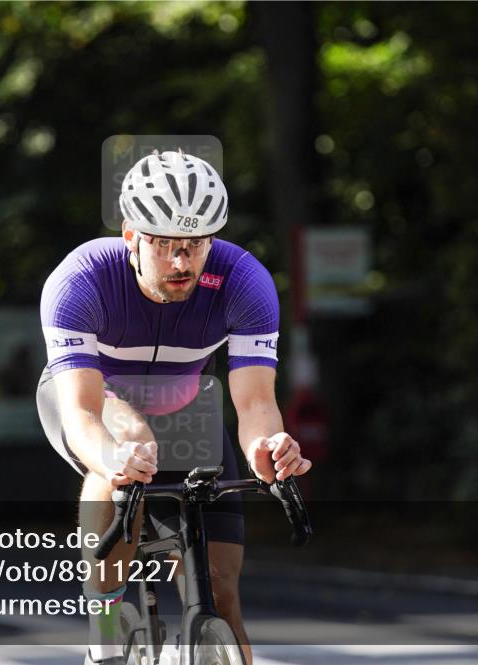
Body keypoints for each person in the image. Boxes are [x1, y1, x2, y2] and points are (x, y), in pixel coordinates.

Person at [36, 150, 312, 665]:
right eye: (164, 245)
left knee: (224, 597)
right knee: (130, 442)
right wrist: (114, 460)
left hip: (185, 407)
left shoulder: (243, 281)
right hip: (92, 401)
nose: (182, 262)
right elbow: (83, 415)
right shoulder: (80, 280)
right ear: (131, 237)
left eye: (195, 244)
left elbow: (255, 404)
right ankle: (106, 622)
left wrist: (268, 449)